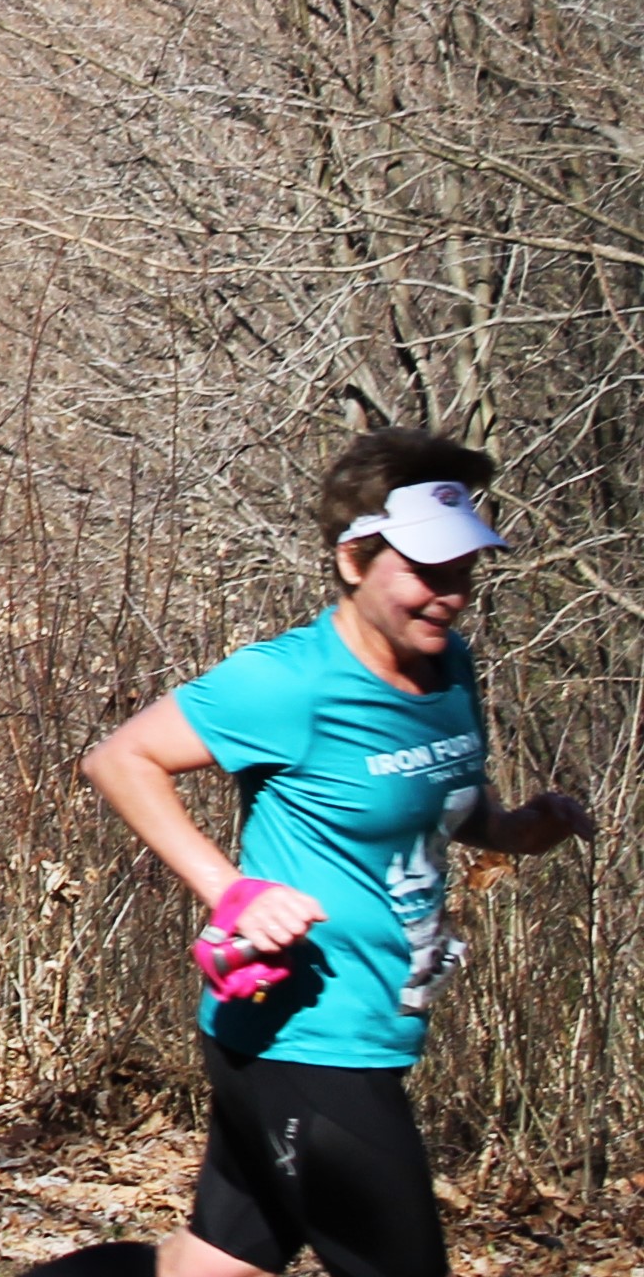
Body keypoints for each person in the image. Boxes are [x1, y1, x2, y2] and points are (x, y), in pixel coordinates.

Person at [72, 427, 597, 1277]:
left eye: (462, 572)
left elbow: (442, 799)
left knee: (212, 1265)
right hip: (307, 1041)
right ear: (356, 561)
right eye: (426, 573)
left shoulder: (448, 669)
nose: (451, 596)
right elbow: (120, 760)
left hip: (357, 1035)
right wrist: (229, 890)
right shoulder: (293, 681)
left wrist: (512, 832)